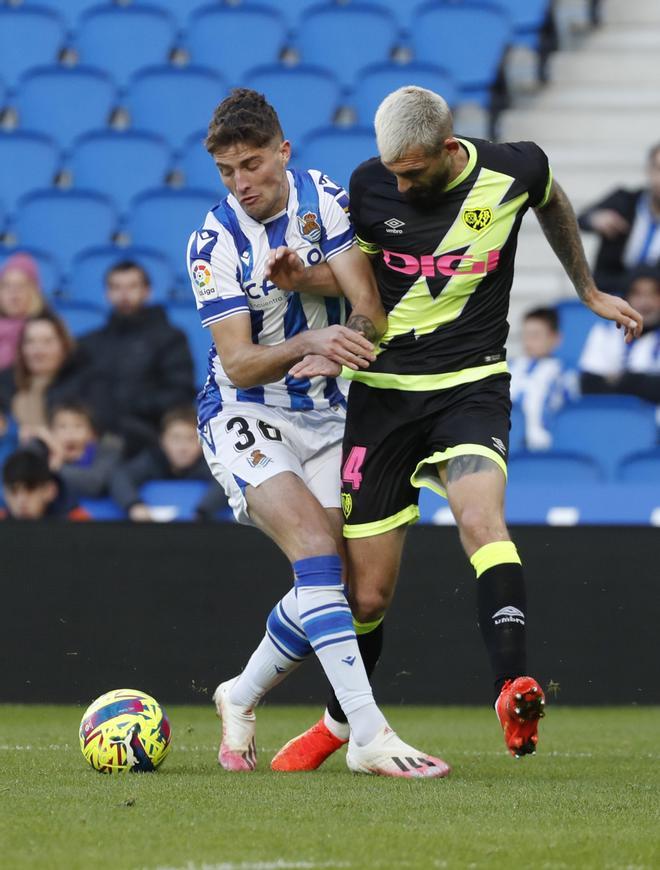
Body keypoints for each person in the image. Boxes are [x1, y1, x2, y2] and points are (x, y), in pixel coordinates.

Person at [268, 86, 643, 767]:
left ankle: (510, 687)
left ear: (447, 148)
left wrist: (586, 289)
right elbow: (357, 283)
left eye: (412, 171)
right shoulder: (369, 183)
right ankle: (339, 723)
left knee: (481, 521)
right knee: (368, 593)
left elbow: (553, 200)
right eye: (393, 172)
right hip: (383, 399)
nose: (400, 184)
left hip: (470, 388)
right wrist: (301, 280)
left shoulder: (514, 170)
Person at [188, 88, 449, 778]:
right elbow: (240, 361)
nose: (243, 184)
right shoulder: (213, 244)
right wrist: (316, 336)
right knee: (312, 551)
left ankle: (239, 697)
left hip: (332, 416)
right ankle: (367, 733)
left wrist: (345, 333)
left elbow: (370, 310)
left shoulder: (326, 199)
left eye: (252, 165)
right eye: (227, 172)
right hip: (247, 412)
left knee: (354, 591)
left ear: (284, 151)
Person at [79, 260, 196, 455]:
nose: (124, 294)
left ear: (147, 291)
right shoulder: (90, 343)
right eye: (116, 287)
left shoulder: (170, 338)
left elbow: (180, 393)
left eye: (132, 286)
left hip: (151, 439)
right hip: (95, 437)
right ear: (107, 294)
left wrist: (133, 404)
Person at [110, 405, 228, 521]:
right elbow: (121, 476)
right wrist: (134, 506)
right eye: (176, 438)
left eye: (191, 438)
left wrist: (202, 512)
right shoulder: (153, 459)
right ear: (162, 440)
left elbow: (226, 480)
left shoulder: (210, 461)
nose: (183, 448)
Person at [578, 142, 660, 293]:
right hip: (612, 291)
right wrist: (595, 218)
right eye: (659, 169)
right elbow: (579, 220)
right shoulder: (624, 200)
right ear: (649, 171)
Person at [0, 312, 91, 442]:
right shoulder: (4, 385)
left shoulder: (85, 387)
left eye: (47, 342)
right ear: (21, 348)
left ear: (63, 346)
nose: (38, 351)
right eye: (30, 342)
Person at [580, 266, 660, 403]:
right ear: (625, 298)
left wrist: (619, 380)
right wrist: (641, 382)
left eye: (653, 294)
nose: (646, 302)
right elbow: (589, 384)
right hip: (609, 417)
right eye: (637, 294)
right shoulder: (604, 330)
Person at [509, 307, 570, 450]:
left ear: (555, 338)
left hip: (543, 448)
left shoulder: (562, 373)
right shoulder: (510, 367)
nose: (528, 342)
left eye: (535, 335)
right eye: (525, 335)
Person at [43, 401, 123, 500]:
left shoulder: (107, 452)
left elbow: (95, 484)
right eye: (62, 427)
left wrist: (58, 468)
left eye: (78, 426)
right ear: (51, 433)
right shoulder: (45, 455)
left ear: (93, 434)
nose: (70, 433)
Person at [1, 440, 90, 521]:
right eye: (13, 491)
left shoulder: (77, 521)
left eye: (31, 489)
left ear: (51, 490)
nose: (21, 500)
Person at [0, 253, 48, 371]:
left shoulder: (47, 329)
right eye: (7, 285)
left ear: (34, 291)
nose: (13, 292)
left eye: (21, 285)